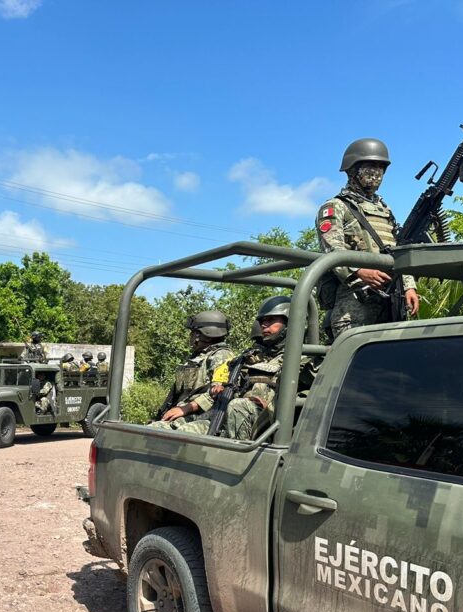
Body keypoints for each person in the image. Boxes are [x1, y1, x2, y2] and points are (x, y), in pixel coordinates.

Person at [165, 297, 320, 440]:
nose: (264, 325)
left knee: (239, 406)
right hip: (226, 420)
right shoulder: (249, 357)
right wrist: (219, 388)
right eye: (262, 321)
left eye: (271, 320)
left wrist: (270, 406)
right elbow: (227, 383)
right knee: (173, 435)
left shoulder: (303, 359)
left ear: (290, 323)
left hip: (268, 426)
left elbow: (309, 398)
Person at [316, 138, 419, 340]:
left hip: (391, 301)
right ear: (352, 169)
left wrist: (409, 286)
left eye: (381, 166)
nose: (377, 171)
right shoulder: (335, 206)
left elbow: (398, 250)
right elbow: (332, 251)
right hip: (355, 303)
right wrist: (360, 271)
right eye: (371, 165)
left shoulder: (385, 210)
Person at [150, 310, 232, 427]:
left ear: (205, 335)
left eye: (193, 332)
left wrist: (185, 409)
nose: (191, 336)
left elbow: (218, 392)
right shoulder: (198, 357)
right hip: (186, 412)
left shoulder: (222, 355)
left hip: (201, 415)